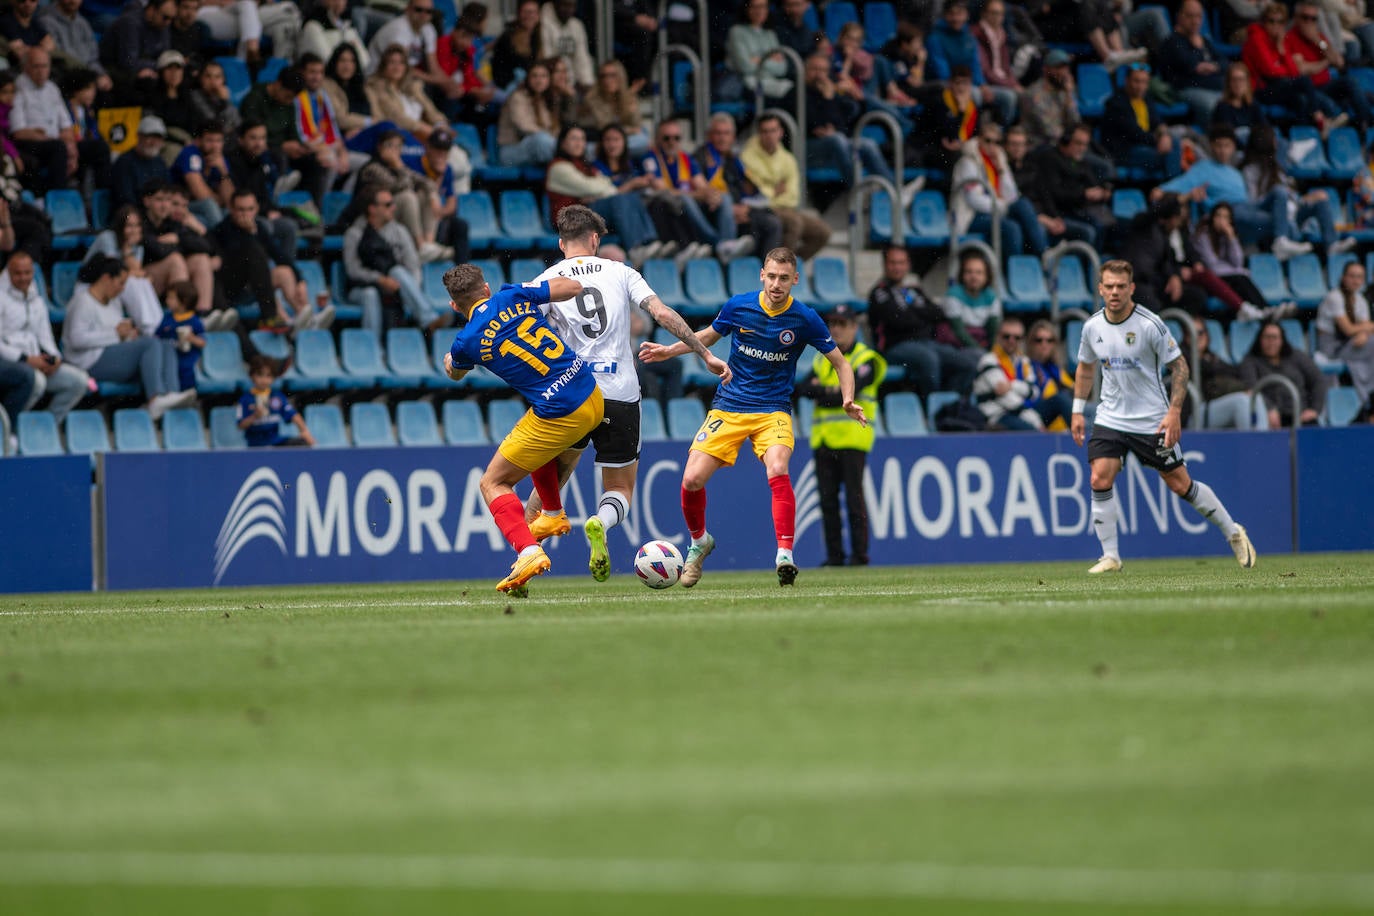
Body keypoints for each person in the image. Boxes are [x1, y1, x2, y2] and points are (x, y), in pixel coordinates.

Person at [638, 247, 867, 588]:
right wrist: (670, 349)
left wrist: (848, 398)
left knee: (777, 467)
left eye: (784, 279)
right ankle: (699, 542)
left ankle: (785, 554)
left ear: (795, 280)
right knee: (691, 481)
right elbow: (708, 336)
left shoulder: (804, 318)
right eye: (772, 276)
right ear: (762, 274)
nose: (777, 284)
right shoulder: (739, 306)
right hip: (729, 406)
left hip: (772, 409)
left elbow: (841, 363)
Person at [523, 205, 731, 580]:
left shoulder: (548, 280)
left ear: (561, 243)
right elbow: (662, 313)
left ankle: (525, 559)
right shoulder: (621, 272)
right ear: (595, 239)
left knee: (549, 486)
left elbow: (530, 338)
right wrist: (705, 354)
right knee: (620, 487)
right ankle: (600, 523)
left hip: (573, 394)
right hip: (619, 393)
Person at [1070, 259, 1257, 574]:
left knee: (1179, 484)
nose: (1114, 292)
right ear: (1100, 289)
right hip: (1110, 417)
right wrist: (1077, 410)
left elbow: (1180, 366)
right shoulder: (1092, 327)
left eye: (1120, 286)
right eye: (1109, 286)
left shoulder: (1150, 324)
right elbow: (1086, 367)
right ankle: (1111, 556)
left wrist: (1173, 412)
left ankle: (1233, 531)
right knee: (1099, 477)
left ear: (1131, 288)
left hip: (1151, 418)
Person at [441, 263, 602, 594]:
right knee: (531, 433)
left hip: (561, 412)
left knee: (492, 482)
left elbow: (455, 373)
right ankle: (553, 512)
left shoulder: (466, 341)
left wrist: (449, 359)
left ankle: (528, 551)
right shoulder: (512, 294)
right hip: (591, 394)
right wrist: (529, 292)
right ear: (486, 288)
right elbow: (572, 288)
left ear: (455, 306)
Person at [794, 303, 884, 567]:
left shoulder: (867, 359)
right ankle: (834, 555)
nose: (836, 330)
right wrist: (829, 391)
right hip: (823, 439)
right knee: (827, 501)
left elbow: (849, 391)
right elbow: (802, 389)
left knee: (854, 500)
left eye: (842, 324)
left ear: (855, 328)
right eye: (833, 324)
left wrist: (822, 391)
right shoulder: (824, 358)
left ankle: (859, 555)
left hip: (853, 438)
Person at [62, 255, 197, 421]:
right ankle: (155, 399)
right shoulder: (82, 301)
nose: (123, 289)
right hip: (88, 362)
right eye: (121, 283)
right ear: (106, 279)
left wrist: (128, 336)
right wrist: (115, 335)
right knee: (150, 344)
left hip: (111, 357)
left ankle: (171, 396)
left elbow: (116, 335)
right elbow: (76, 339)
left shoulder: (114, 302)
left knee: (166, 345)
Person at [868, 246, 978, 398]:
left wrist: (913, 311)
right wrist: (921, 313)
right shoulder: (879, 292)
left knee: (966, 364)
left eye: (901, 263)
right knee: (928, 359)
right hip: (895, 346)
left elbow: (938, 313)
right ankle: (930, 410)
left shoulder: (913, 291)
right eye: (893, 263)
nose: (897, 267)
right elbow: (900, 320)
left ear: (908, 265)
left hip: (927, 343)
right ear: (885, 265)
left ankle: (950, 407)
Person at [545, 125, 662, 265]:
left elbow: (602, 186)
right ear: (563, 143)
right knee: (618, 200)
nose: (579, 143)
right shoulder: (558, 167)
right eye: (573, 139)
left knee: (631, 197)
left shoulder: (585, 166)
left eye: (582, 139)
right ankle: (635, 250)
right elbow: (592, 187)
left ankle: (649, 243)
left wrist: (599, 191)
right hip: (571, 220)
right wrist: (600, 189)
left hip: (586, 214)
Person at [211, 189, 325, 332]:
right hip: (236, 290)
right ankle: (285, 320)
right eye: (241, 209)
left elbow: (280, 256)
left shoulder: (259, 227)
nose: (246, 214)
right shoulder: (223, 230)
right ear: (231, 209)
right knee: (258, 257)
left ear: (257, 209)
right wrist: (250, 233)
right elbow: (246, 255)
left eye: (250, 209)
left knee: (284, 272)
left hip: (257, 285)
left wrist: (300, 280)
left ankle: (304, 317)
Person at [343, 186, 448, 334]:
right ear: (372, 209)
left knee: (398, 271)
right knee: (370, 294)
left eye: (393, 203)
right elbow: (353, 270)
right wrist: (380, 279)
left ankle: (429, 320)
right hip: (362, 287)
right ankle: (374, 349)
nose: (393, 208)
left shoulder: (399, 231)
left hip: (396, 286)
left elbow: (413, 265)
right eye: (387, 205)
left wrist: (408, 287)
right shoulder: (354, 234)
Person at [0, 251, 90, 423]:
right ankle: (10, 426)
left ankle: (43, 426)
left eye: (27, 273)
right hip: (12, 364)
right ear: (9, 273)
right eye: (17, 273)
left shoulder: (37, 300)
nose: (23, 278)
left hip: (37, 363)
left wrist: (54, 359)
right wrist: (26, 359)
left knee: (79, 381)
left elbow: (46, 337)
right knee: (37, 381)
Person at [740, 112, 833, 259]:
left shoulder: (788, 158)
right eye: (765, 131)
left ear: (781, 132)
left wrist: (770, 190)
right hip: (763, 209)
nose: (769, 135)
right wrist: (774, 192)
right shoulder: (747, 157)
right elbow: (756, 195)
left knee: (822, 232)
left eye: (773, 130)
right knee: (794, 223)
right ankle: (780, 270)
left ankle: (791, 265)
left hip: (786, 208)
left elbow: (793, 196)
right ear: (759, 134)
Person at [694, 113, 783, 258]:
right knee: (768, 225)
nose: (722, 138)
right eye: (718, 133)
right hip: (716, 212)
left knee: (772, 220)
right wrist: (731, 210)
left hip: (740, 209)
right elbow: (703, 193)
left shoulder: (734, 160)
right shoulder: (700, 159)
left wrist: (747, 207)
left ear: (733, 137)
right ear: (709, 135)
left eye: (726, 133)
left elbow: (751, 191)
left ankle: (768, 273)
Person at [356, 128, 449, 262]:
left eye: (398, 146)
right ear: (380, 147)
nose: (395, 150)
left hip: (392, 214)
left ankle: (428, 244)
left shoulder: (397, 166)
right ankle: (420, 245)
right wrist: (398, 165)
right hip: (370, 217)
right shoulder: (372, 168)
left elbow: (426, 182)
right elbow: (402, 185)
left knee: (426, 194)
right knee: (408, 196)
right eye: (390, 145)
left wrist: (433, 195)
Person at [1192, 201, 1290, 319]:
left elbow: (1238, 261)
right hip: (1211, 280)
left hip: (1227, 276)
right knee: (1240, 278)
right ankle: (1265, 309)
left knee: (1242, 278)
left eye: (1225, 217)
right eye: (1218, 216)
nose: (1221, 220)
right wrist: (1235, 270)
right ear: (1212, 217)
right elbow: (1212, 264)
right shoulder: (1203, 235)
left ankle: (1264, 310)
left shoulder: (1227, 236)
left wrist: (1231, 238)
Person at [1240, 319, 1327, 426]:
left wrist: (1314, 409)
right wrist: (1269, 408)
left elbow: (1318, 380)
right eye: (1267, 337)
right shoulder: (1250, 360)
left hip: (1300, 415)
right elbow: (1251, 388)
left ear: (1282, 340)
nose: (1271, 342)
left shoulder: (1297, 356)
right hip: (1270, 417)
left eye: (1275, 337)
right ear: (1260, 339)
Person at [10, 48, 74, 198]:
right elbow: (18, 132)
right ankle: (58, 198)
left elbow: (67, 126)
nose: (41, 71)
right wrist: (54, 139)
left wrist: (72, 146)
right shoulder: (18, 88)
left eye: (44, 66)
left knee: (98, 148)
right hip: (28, 144)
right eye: (36, 66)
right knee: (58, 148)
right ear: (26, 67)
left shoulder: (52, 88)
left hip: (53, 142)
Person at [1157, 0, 1228, 124]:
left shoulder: (1204, 40)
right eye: (1190, 16)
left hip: (1213, 88)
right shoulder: (1172, 42)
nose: (1195, 21)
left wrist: (1212, 66)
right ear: (1179, 17)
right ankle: (1212, 140)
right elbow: (1189, 65)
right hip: (1186, 90)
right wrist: (1198, 49)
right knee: (1212, 106)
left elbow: (1224, 63)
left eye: (1198, 16)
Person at [1316, 260, 1374, 410]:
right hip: (1332, 349)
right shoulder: (1334, 297)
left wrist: (1364, 333)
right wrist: (1365, 330)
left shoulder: (1361, 300)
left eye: (1359, 277)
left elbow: (1364, 328)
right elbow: (1347, 329)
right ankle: (1369, 398)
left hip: (1352, 345)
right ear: (1343, 277)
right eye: (1352, 276)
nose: (1356, 280)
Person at [972, 317, 1047, 430]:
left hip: (1022, 411)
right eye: (1006, 336)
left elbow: (1034, 391)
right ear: (998, 337)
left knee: (1060, 400)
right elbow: (1006, 397)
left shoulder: (1023, 361)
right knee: (1031, 431)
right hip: (997, 415)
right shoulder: (989, 360)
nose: (1011, 340)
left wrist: (1011, 385)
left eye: (1016, 337)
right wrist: (1035, 420)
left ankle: (1080, 440)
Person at [1189, 315, 1258, 428]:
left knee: (1255, 397)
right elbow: (1208, 372)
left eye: (1200, 332)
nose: (1196, 337)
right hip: (1194, 414)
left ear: (1206, 335)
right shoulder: (1180, 358)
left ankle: (1263, 439)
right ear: (1186, 336)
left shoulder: (1211, 357)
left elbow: (1235, 371)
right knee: (1240, 401)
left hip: (1215, 407)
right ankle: (1253, 443)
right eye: (1191, 333)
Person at [238, 354, 315, 446]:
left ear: (273, 378)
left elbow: (293, 415)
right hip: (256, 445)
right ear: (252, 376)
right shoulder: (245, 399)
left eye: (268, 376)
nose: (264, 380)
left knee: (302, 443)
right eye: (260, 375)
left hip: (275, 443)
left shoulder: (277, 397)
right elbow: (241, 425)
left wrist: (304, 431)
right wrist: (254, 417)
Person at [495, 59, 558, 167]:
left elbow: (555, 128)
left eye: (544, 76)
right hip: (512, 151)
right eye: (535, 76)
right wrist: (554, 142)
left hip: (542, 147)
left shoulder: (546, 99)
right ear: (527, 79)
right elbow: (524, 127)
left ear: (549, 80)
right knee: (541, 140)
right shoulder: (517, 97)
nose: (539, 80)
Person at [41, 0, 114, 93]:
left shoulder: (82, 23)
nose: (73, 1)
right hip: (66, 77)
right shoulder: (46, 21)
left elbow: (93, 58)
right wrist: (91, 76)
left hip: (87, 76)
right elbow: (60, 59)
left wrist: (101, 74)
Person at [172, 120, 234, 228]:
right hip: (180, 206)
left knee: (229, 213)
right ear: (198, 141)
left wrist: (223, 171)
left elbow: (230, 201)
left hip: (205, 212)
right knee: (210, 206)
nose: (215, 146)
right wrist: (220, 200)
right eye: (209, 140)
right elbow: (201, 196)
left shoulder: (221, 160)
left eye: (218, 141)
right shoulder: (190, 154)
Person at [942, 249, 1002, 349]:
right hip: (957, 346)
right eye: (969, 272)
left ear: (987, 276)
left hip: (981, 343)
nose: (974, 276)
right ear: (962, 274)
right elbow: (958, 331)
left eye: (979, 272)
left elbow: (993, 331)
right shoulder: (953, 295)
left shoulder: (992, 297)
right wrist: (981, 353)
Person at [111, 116, 174, 211]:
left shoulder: (160, 162)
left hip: (157, 214)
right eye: (149, 136)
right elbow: (126, 201)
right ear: (139, 136)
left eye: (158, 138)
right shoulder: (125, 162)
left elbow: (169, 191)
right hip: (134, 217)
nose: (153, 142)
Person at [1021, 48, 1078, 149]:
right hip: (1040, 146)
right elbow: (1049, 130)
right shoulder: (1033, 94)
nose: (1063, 72)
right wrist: (1072, 140)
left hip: (1062, 146)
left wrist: (1069, 94)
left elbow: (1075, 122)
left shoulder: (1064, 92)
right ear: (1046, 69)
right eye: (1058, 68)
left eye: (1065, 68)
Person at [154, 279, 205, 391]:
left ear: (184, 301)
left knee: (188, 378)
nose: (167, 301)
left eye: (171, 298)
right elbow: (156, 337)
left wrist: (192, 338)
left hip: (187, 362)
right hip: (169, 362)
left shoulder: (195, 321)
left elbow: (202, 342)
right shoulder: (167, 318)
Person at [539, 0, 595, 93]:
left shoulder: (576, 25)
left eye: (572, 6)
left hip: (572, 82)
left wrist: (587, 83)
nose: (569, 9)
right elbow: (547, 58)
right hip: (549, 83)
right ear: (555, 4)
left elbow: (582, 58)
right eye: (565, 5)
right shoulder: (543, 23)